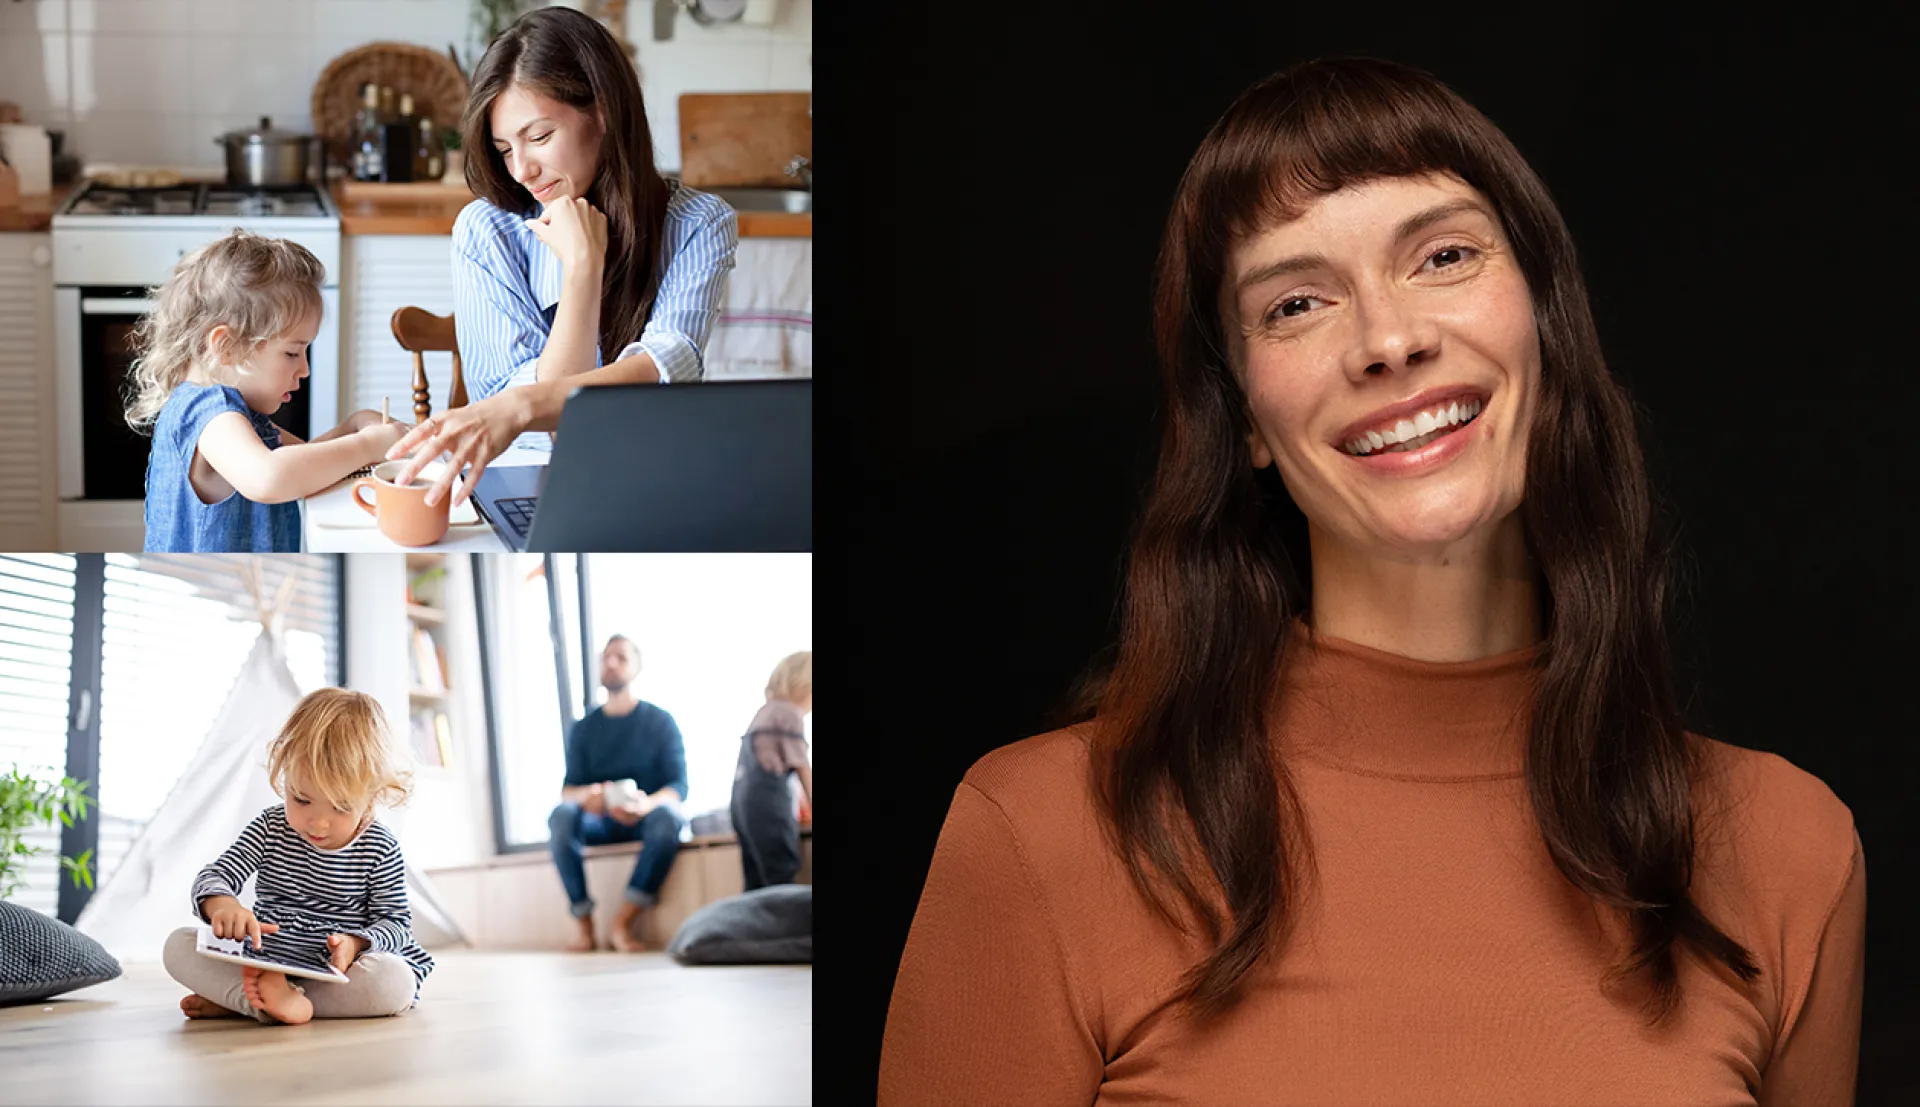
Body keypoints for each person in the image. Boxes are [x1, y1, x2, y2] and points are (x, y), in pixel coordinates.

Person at [879, 57, 1864, 1106]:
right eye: (1297, 302)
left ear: (1547, 324)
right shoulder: (1041, 835)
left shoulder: (1785, 848)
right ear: (1247, 420)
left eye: (1443, 255)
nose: (1389, 341)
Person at [386, 5, 738, 510]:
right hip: (528, 483)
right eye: (505, 148)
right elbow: (537, 429)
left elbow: (668, 364)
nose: (523, 170)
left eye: (540, 136)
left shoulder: (699, 222)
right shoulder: (487, 230)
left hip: (648, 478)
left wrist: (519, 405)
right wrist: (581, 270)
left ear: (603, 113)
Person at [125, 229, 411, 551]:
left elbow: (302, 467)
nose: (304, 369)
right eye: (292, 353)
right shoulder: (209, 414)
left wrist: (354, 426)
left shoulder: (239, 412)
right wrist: (365, 446)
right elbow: (270, 478)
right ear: (227, 346)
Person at [160, 688, 433, 1025]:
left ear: (371, 796)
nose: (317, 822)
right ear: (285, 774)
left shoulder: (380, 847)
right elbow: (215, 875)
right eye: (302, 799)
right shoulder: (270, 827)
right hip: (267, 959)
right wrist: (223, 905)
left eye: (341, 807)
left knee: (395, 982)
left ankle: (251, 1002)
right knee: (177, 946)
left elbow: (395, 924)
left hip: (335, 973)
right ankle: (269, 1000)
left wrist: (356, 943)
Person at [548, 634, 690, 952]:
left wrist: (646, 804)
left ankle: (622, 923)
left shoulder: (660, 722)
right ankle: (584, 923)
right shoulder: (583, 729)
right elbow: (567, 791)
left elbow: (678, 787)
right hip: (597, 821)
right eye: (606, 657)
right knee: (561, 815)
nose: (611, 662)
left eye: (621, 657)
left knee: (668, 817)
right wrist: (589, 796)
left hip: (644, 819)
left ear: (637, 668)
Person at [730, 651, 812, 890]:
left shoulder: (765, 712)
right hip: (766, 808)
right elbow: (802, 768)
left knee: (756, 882)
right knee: (780, 878)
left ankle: (755, 928)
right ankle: (785, 928)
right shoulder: (788, 714)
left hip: (743, 807)